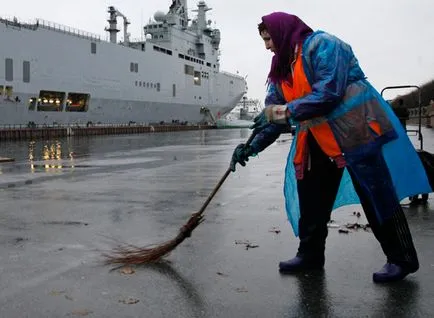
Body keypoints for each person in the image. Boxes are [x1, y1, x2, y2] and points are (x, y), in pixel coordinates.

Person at [230, 12, 432, 283]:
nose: (268, 46)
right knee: (311, 199)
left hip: (356, 132)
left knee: (376, 195)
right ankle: (310, 255)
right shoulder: (281, 70)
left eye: (269, 39)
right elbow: (274, 116)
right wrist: (250, 146)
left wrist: (277, 112)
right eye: (264, 41)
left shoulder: (323, 45)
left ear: (282, 31)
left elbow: (329, 93)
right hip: (316, 139)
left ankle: (401, 258)